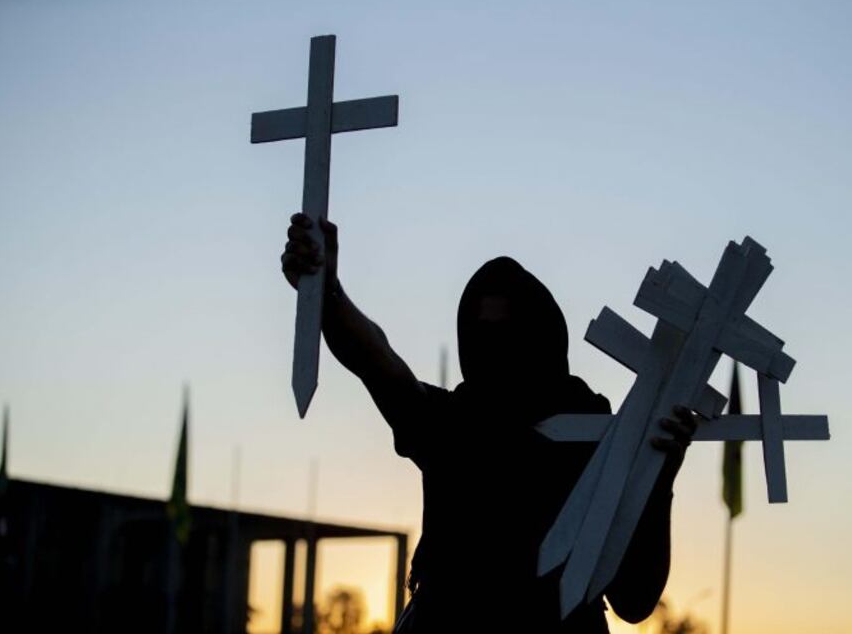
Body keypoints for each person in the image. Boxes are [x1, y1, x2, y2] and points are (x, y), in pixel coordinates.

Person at [281, 213, 700, 632]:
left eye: (512, 335)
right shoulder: (450, 425)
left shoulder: (595, 437)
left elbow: (633, 597)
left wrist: (658, 475)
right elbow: (375, 360)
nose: (497, 353)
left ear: (543, 338)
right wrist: (327, 290)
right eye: (483, 335)